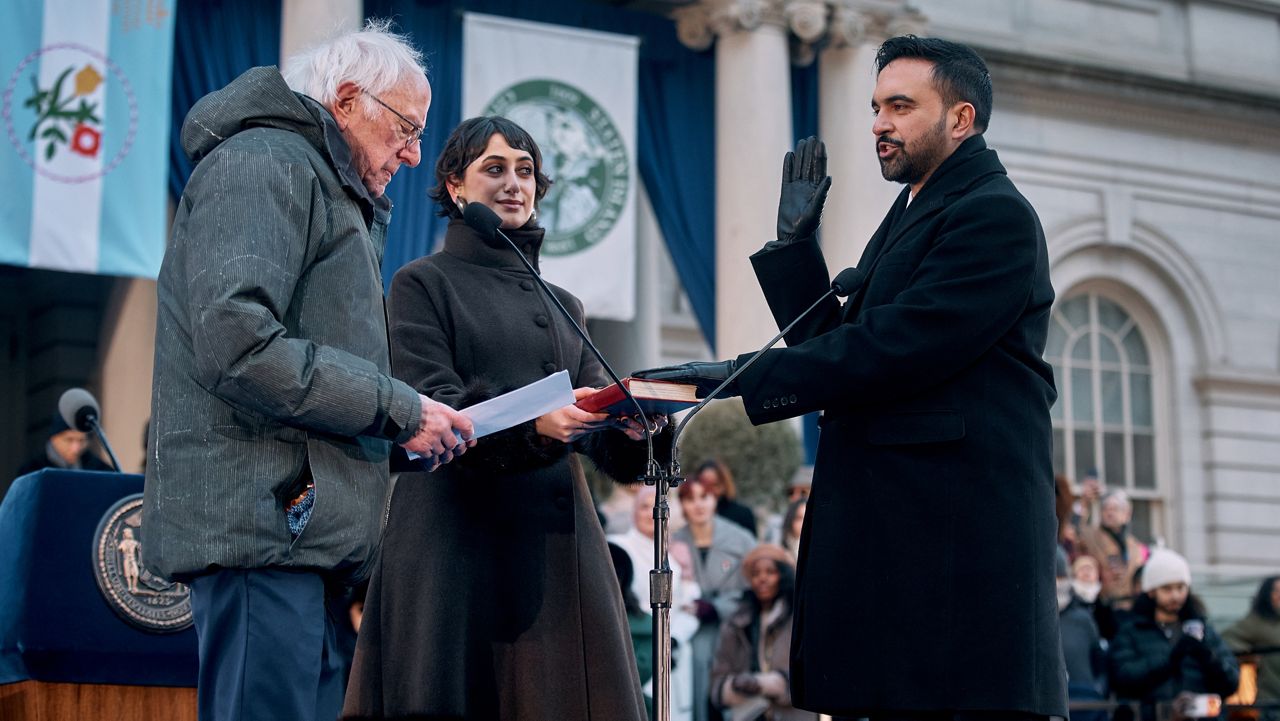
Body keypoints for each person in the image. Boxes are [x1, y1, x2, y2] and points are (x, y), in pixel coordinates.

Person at [637, 35, 1066, 719]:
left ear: (961, 118)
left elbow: (891, 351)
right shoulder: (915, 211)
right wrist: (794, 250)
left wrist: (741, 375)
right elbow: (845, 351)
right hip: (906, 566)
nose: (877, 124)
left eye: (900, 106)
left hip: (957, 578)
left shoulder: (995, 214)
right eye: (874, 106)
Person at [140, 22, 474, 721]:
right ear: (349, 100)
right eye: (407, 128)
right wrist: (399, 408)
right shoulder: (268, 162)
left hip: (297, 538)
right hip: (262, 532)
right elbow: (240, 346)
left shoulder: (310, 177)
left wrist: (405, 428)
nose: (414, 154)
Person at [342, 115, 666, 720]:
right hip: (454, 544)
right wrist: (537, 429)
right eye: (494, 169)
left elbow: (591, 399)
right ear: (456, 187)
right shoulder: (421, 284)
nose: (514, 183)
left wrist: (628, 426)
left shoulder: (563, 304)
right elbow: (431, 404)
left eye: (525, 171)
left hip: (555, 544)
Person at [1109, 548, 1239, 721]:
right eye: (1167, 589)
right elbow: (1123, 678)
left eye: (1181, 587)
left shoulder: (1204, 630)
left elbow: (1230, 683)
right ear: (1151, 591)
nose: (1176, 596)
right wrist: (1170, 659)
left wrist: (1208, 656)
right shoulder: (1131, 631)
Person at [676, 473, 758, 721]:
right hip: (691, 634)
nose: (698, 505)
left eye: (705, 497)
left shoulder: (740, 538)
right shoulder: (673, 540)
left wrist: (716, 607)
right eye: (690, 499)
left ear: (715, 499)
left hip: (734, 631)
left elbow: (753, 587)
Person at [710, 543, 817, 721]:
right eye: (755, 574)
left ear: (783, 575)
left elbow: (811, 677)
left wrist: (767, 684)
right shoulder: (736, 622)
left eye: (770, 572)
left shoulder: (800, 618)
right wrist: (737, 685)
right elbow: (717, 684)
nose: (762, 579)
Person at [1056, 549, 1107, 721]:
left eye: (1061, 578)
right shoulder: (1032, 620)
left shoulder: (1083, 619)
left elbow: (1099, 660)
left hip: (1084, 704)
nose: (1057, 584)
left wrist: (1097, 688)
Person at [1078, 489, 1149, 608]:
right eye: (1105, 509)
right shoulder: (1090, 536)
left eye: (1115, 509)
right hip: (1102, 606)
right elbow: (1073, 531)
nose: (1109, 513)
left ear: (1127, 514)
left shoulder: (1134, 544)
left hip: (1130, 608)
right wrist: (1083, 504)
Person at [1222, 576, 1280, 710]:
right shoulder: (1257, 622)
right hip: (1271, 700)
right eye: (1276, 591)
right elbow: (1226, 638)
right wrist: (1248, 654)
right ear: (1267, 595)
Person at [15, 410, 112, 477]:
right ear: (54, 438)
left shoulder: (100, 470)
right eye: (69, 440)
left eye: (81, 440)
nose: (76, 448)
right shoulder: (32, 471)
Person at [697, 458, 758, 537]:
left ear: (724, 485)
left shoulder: (743, 514)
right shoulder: (692, 512)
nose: (709, 490)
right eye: (705, 484)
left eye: (715, 484)